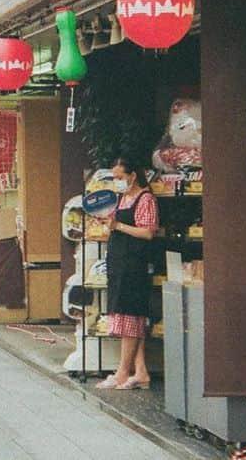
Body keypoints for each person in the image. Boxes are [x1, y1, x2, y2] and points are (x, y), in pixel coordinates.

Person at [96, 157, 159, 390]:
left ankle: (122, 372)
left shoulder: (146, 199)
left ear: (133, 176)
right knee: (127, 318)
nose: (117, 182)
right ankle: (140, 372)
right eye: (115, 178)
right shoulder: (122, 199)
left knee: (131, 316)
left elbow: (147, 232)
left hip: (134, 265)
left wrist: (118, 226)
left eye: (120, 178)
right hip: (119, 264)